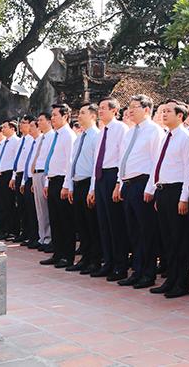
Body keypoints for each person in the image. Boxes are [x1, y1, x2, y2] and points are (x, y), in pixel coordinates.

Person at [145, 100, 189, 298]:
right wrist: (154, 189)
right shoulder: (165, 136)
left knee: (180, 240)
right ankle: (171, 280)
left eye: (168, 111)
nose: (164, 114)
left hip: (178, 192)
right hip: (163, 191)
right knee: (167, 239)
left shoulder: (186, 138)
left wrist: (184, 198)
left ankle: (182, 283)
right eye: (162, 111)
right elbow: (158, 166)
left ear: (180, 116)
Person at [116, 94, 163, 289]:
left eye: (135, 107)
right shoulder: (129, 132)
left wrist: (150, 187)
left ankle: (148, 273)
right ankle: (137, 270)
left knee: (146, 232)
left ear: (146, 109)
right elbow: (123, 159)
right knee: (133, 232)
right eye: (130, 106)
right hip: (128, 183)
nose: (130, 110)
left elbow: (156, 162)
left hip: (143, 183)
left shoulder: (154, 131)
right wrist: (120, 183)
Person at [88, 97, 131, 280]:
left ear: (115, 111)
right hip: (100, 177)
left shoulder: (121, 129)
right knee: (103, 224)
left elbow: (123, 157)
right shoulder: (101, 132)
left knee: (116, 224)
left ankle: (120, 265)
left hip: (113, 175)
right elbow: (96, 161)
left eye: (104, 108)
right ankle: (108, 262)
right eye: (99, 108)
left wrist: (118, 183)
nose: (100, 111)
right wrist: (92, 187)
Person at [63, 104, 102, 273]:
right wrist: (70, 185)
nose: (79, 116)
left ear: (93, 116)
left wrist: (92, 189)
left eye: (83, 113)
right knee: (82, 225)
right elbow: (72, 163)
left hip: (88, 184)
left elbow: (95, 166)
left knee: (92, 224)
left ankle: (94, 260)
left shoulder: (96, 136)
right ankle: (84, 258)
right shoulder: (79, 137)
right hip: (77, 183)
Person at [41, 104, 75, 268]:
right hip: (53, 179)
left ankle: (67, 256)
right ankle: (57, 252)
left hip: (62, 180)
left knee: (65, 221)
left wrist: (67, 185)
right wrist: (47, 182)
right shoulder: (55, 135)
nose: (52, 118)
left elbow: (70, 163)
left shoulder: (69, 135)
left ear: (65, 117)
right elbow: (51, 161)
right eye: (52, 115)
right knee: (54, 219)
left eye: (55, 115)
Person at [28, 113, 54, 253]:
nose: (39, 122)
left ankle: (49, 238)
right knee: (39, 209)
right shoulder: (41, 138)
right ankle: (42, 237)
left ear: (49, 121)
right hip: (36, 173)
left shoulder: (52, 136)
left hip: (45, 173)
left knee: (46, 208)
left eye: (41, 120)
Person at [17, 117, 40, 249]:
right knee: (26, 209)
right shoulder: (25, 140)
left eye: (31, 125)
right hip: (26, 177)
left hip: (35, 177)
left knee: (34, 210)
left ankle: (37, 236)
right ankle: (30, 235)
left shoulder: (37, 140)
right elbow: (24, 161)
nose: (27, 127)